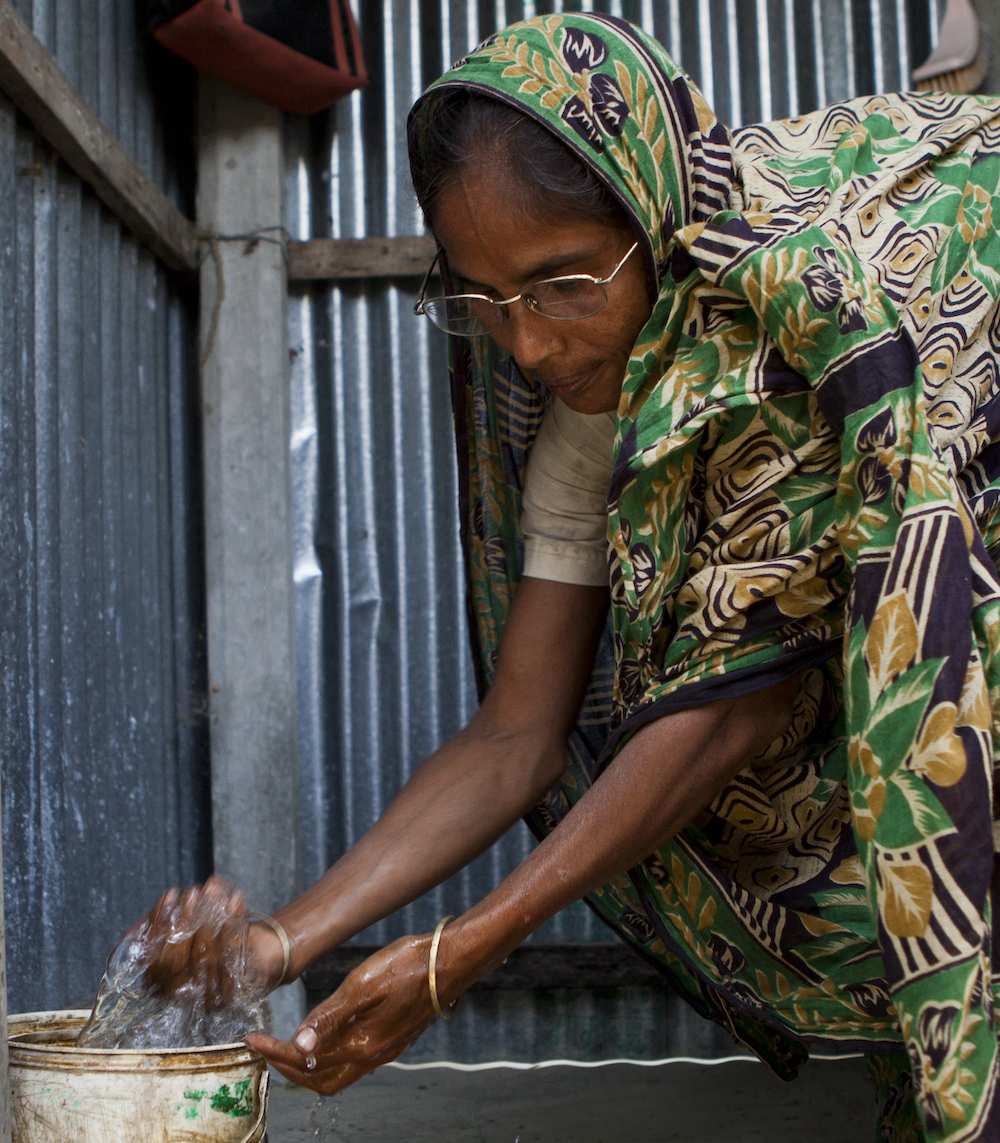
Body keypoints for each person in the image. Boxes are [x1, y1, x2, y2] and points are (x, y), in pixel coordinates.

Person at [142, 16, 1000, 1141]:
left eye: (559, 286)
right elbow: (516, 734)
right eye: (483, 299)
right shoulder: (597, 408)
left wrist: (461, 952)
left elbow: (732, 710)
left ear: (652, 220)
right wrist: (278, 944)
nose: (528, 347)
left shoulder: (784, 325)